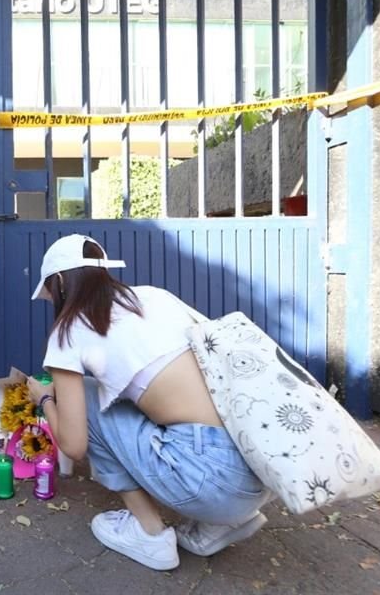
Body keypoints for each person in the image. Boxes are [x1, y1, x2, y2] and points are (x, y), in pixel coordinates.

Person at [26, 234, 272, 571]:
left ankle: (150, 534)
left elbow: (73, 445)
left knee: (86, 393)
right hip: (258, 466)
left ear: (58, 282)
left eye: (50, 291)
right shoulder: (155, 298)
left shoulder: (70, 330)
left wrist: (45, 400)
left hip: (207, 480)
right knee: (122, 395)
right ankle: (224, 522)